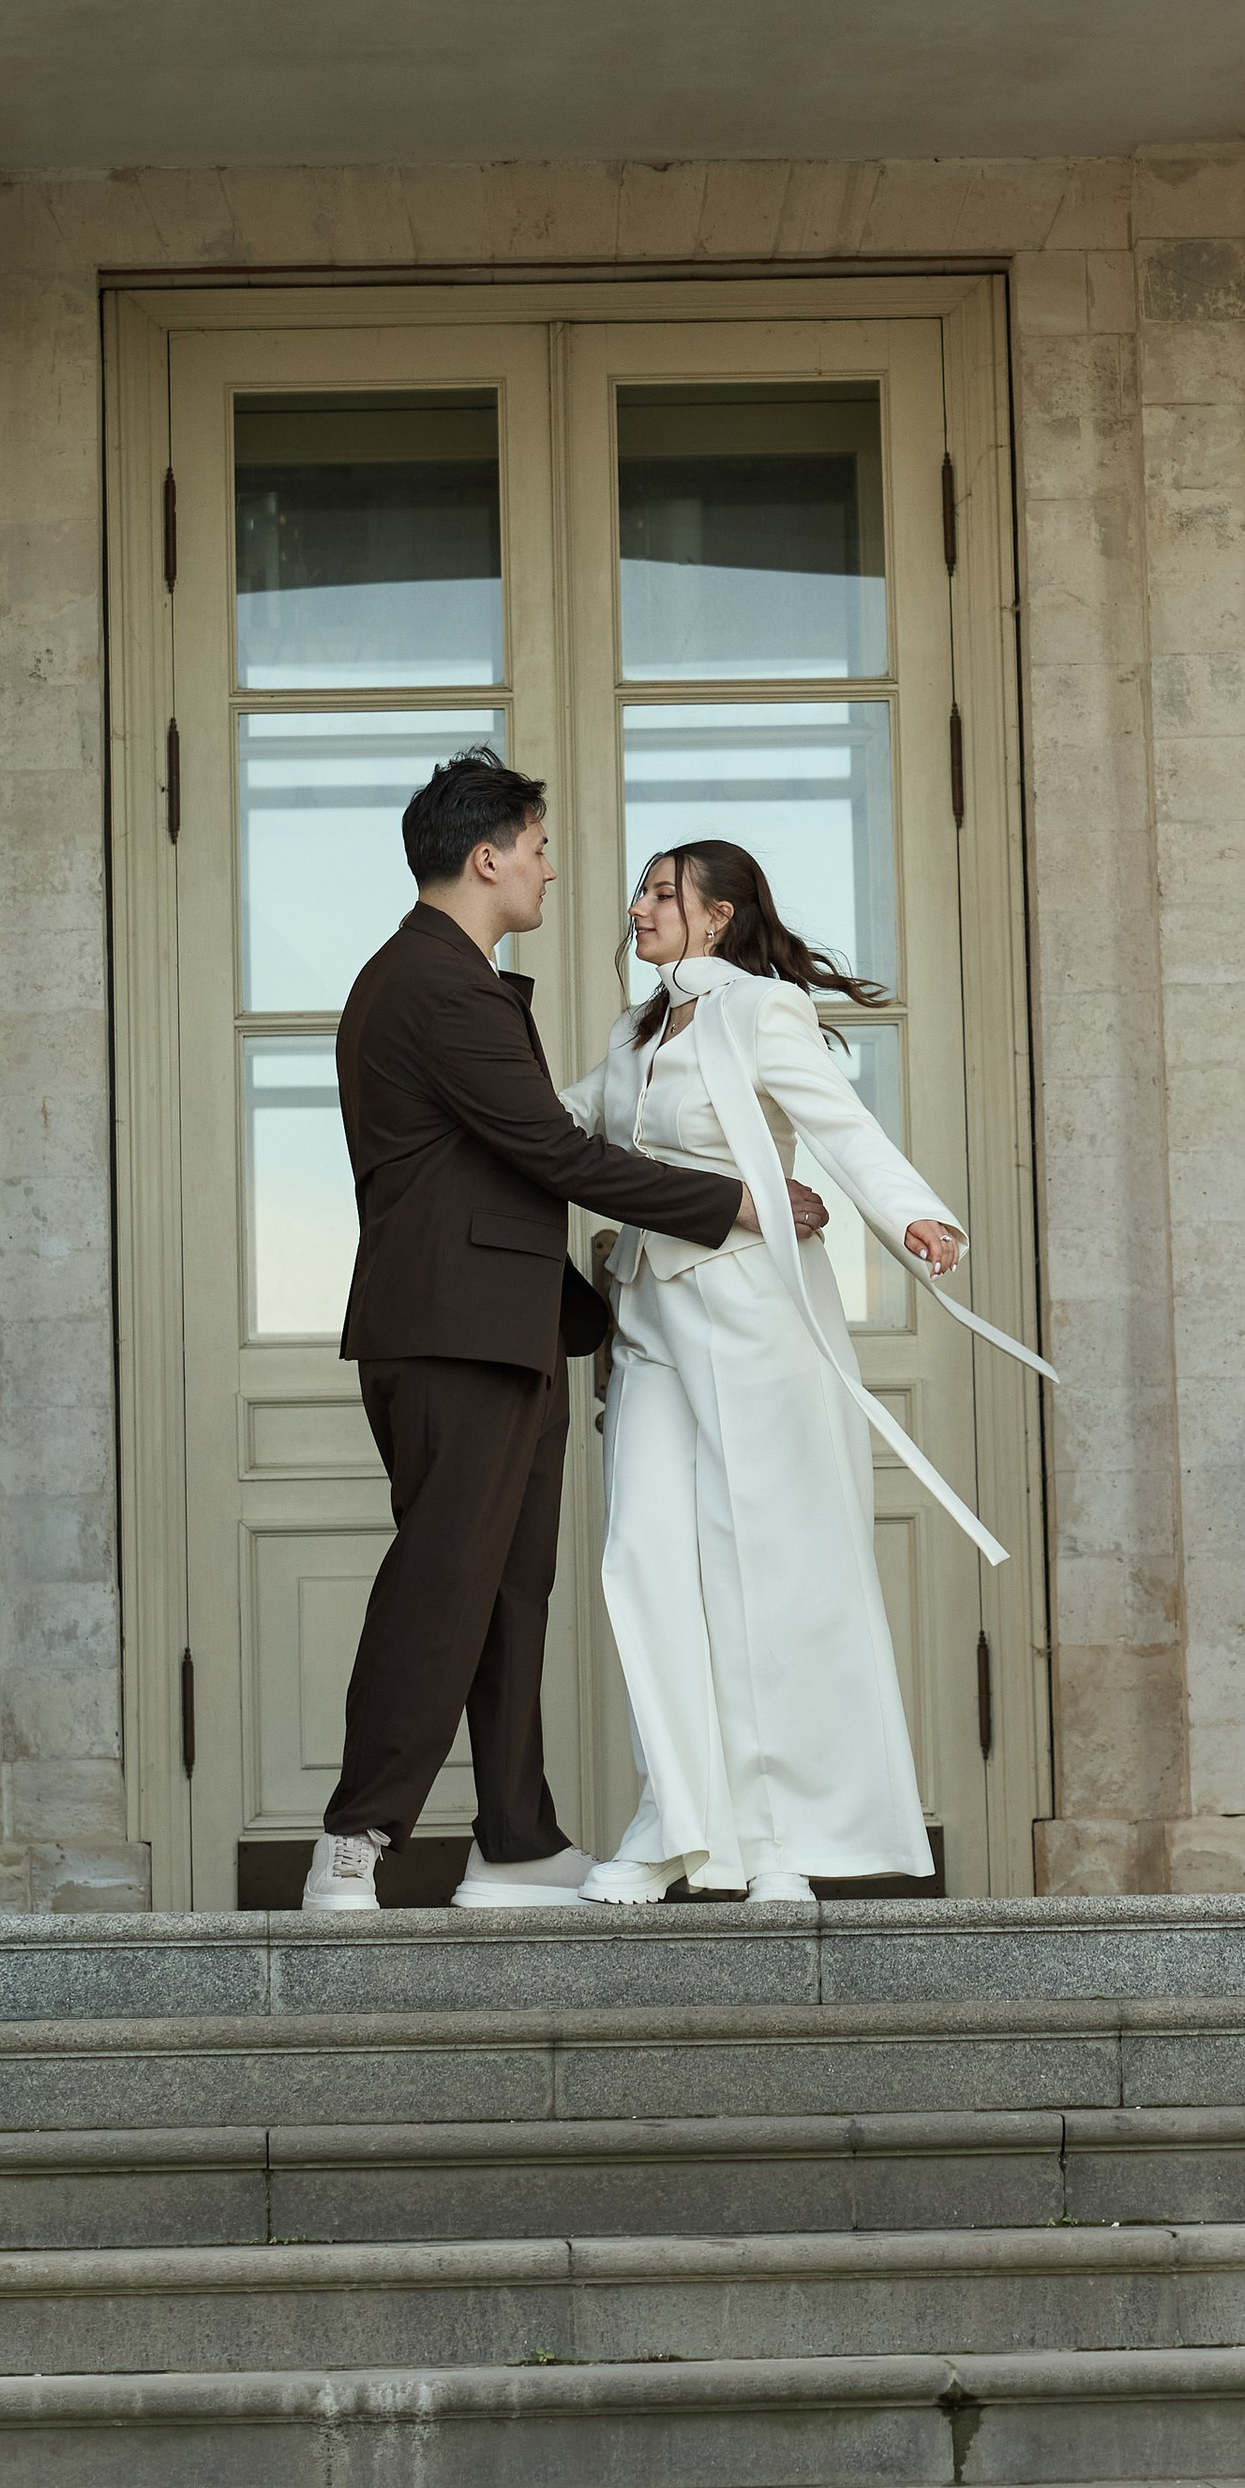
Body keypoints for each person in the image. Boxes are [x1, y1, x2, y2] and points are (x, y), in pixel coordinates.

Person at [306, 752, 827, 1918]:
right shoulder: (436, 985)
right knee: (443, 1586)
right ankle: (354, 1842)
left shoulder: (442, 977)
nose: (551, 870)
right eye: (538, 849)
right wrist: (732, 1202)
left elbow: (525, 1150)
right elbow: (553, 1150)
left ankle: (516, 1838)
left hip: (501, 1326)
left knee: (508, 1591)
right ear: (486, 858)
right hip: (454, 1335)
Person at [565, 838, 1042, 1911]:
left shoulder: (757, 1011)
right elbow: (571, 1119)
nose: (637, 906)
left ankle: (779, 1840)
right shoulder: (633, 1030)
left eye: (660, 892)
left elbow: (838, 1123)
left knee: (765, 1571)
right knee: (642, 1561)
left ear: (718, 916)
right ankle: (676, 1824)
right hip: (646, 1322)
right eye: (639, 889)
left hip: (750, 1315)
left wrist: (911, 1210)